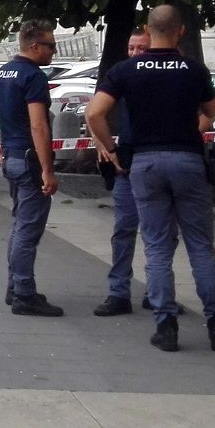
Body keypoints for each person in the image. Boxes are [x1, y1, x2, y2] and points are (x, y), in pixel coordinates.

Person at [86, 4, 215, 352]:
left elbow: (95, 113)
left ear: (148, 32)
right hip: (187, 160)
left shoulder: (127, 70)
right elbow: (214, 109)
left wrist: (112, 149)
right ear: (180, 31)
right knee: (201, 247)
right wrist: (194, 129)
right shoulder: (192, 70)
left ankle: (166, 326)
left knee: (155, 246)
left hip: (146, 163)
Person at [0, 19, 63, 317]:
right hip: (29, 159)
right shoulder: (33, 76)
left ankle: (15, 287)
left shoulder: (4, 72)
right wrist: (48, 170)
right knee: (28, 228)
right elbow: (38, 125)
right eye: (50, 45)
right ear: (34, 46)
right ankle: (23, 292)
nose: (54, 51)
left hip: (11, 157)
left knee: (20, 224)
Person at [92, 29, 150, 317]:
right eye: (131, 48)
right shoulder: (122, 73)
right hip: (127, 160)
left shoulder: (165, 76)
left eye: (142, 48)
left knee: (157, 233)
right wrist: (103, 143)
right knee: (124, 229)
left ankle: (157, 291)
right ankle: (119, 293)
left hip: (152, 160)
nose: (136, 54)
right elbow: (93, 112)